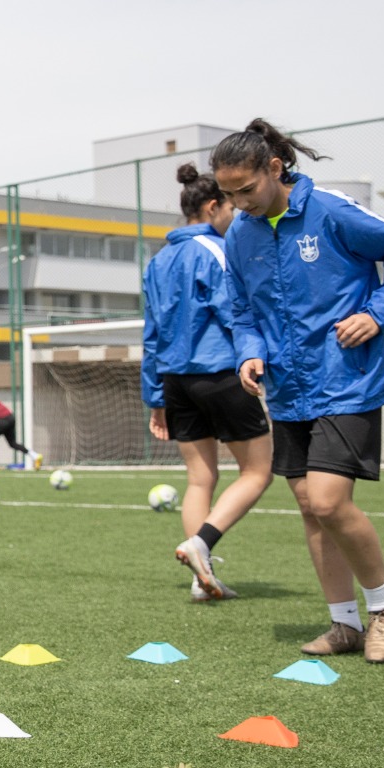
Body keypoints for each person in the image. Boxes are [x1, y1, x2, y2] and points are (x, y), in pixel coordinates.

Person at [214, 119, 384, 664]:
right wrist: (249, 352)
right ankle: (343, 623)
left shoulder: (330, 210)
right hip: (287, 391)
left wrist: (377, 315)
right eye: (229, 195)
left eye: (247, 190)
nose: (239, 204)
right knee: (311, 507)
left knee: (331, 501)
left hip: (345, 382)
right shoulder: (240, 234)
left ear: (275, 169)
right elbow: (241, 310)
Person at [141, 163, 274, 603]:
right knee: (259, 471)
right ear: (213, 205)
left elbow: (152, 333)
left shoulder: (157, 261)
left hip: (177, 381)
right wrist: (258, 357)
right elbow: (234, 311)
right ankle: (202, 545)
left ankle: (201, 579)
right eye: (231, 204)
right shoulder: (216, 250)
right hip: (219, 374)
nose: (236, 212)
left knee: (201, 479)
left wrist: (155, 398)